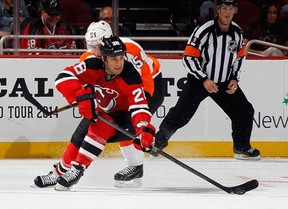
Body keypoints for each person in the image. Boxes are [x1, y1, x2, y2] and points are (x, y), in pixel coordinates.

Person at [33, 21, 164, 189]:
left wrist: (141, 125)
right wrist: (82, 97)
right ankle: (59, 172)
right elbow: (79, 83)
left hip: (148, 85)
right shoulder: (90, 59)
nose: (93, 50)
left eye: (97, 46)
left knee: (123, 125)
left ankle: (135, 166)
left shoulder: (130, 52)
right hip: (115, 94)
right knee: (86, 129)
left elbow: (140, 87)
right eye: (91, 46)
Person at [152, 0, 261, 161]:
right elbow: (188, 58)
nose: (227, 12)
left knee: (245, 111)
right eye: (224, 8)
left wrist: (234, 79)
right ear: (218, 10)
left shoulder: (237, 32)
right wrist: (204, 79)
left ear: (235, 11)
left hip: (224, 83)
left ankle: (241, 146)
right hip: (199, 81)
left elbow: (238, 58)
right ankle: (157, 144)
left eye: (231, 9)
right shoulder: (204, 30)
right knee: (180, 115)